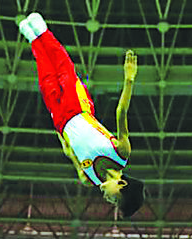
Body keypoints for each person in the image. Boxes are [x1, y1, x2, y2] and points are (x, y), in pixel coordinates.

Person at [18, 12, 145, 217]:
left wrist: (60, 131)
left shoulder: (88, 179)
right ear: (121, 184)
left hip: (61, 121)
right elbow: (121, 112)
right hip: (79, 107)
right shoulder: (121, 152)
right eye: (114, 199)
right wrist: (129, 79)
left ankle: (34, 40)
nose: (107, 200)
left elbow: (70, 152)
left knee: (46, 79)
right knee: (63, 69)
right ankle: (43, 33)